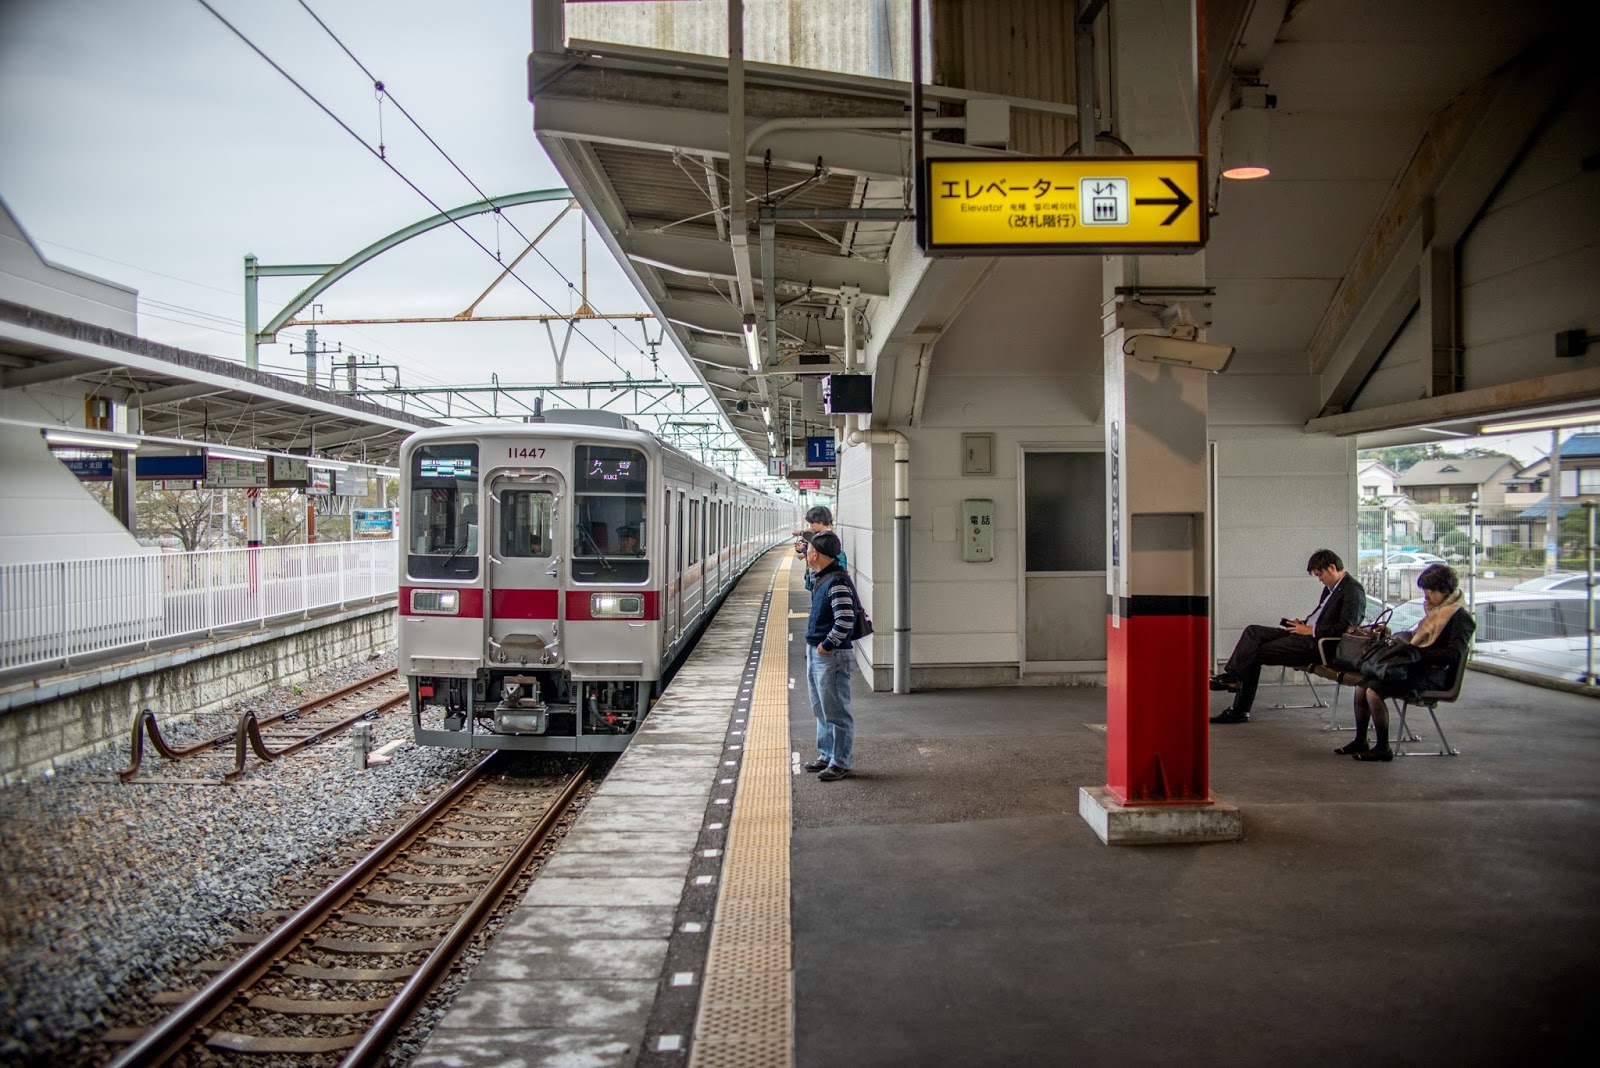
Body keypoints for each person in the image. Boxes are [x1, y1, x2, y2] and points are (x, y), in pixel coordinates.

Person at [1209, 548, 1366, 724]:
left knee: (1253, 653)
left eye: (1319, 574)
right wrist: (1303, 623)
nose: (1319, 579)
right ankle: (1233, 677)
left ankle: (1239, 705)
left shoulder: (1353, 590)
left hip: (1318, 645)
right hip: (1305, 634)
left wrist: (1310, 630)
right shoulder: (1331, 589)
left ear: (1331, 567)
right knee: (1253, 631)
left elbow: (1346, 627)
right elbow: (1321, 617)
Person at [1338, 563, 1475, 762]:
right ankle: (1361, 739)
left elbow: (1454, 655)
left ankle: (1383, 747)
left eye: (1430, 593)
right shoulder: (1437, 613)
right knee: (1362, 685)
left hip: (1435, 675)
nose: (1426, 598)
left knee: (1373, 690)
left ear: (1445, 591)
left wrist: (1416, 653)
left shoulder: (1460, 618)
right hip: (1417, 667)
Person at [802, 531, 857, 782]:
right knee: (821, 708)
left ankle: (840, 761)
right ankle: (826, 754)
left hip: (831, 655)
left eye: (809, 549)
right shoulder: (821, 577)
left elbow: (845, 619)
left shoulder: (836, 582)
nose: (805, 552)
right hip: (818, 653)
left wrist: (826, 644)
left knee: (836, 711)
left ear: (817, 554)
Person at [795, 505, 846, 591]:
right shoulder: (823, 537)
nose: (811, 526)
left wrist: (804, 551)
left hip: (823, 581)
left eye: (812, 522)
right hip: (820, 581)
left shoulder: (825, 540)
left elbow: (821, 559)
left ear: (820, 521)